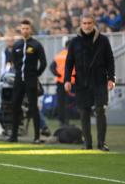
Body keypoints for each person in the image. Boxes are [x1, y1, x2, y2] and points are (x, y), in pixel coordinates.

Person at [65, 15, 115, 151]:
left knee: (100, 110)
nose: (87, 26)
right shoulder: (74, 42)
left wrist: (111, 79)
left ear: (94, 24)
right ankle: (87, 143)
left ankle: (101, 143)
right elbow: (69, 62)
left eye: (89, 23)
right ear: (81, 24)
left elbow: (110, 60)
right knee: (84, 112)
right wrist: (67, 80)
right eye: (84, 23)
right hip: (81, 82)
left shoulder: (103, 40)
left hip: (99, 80)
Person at [8, 19, 47, 143]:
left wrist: (36, 74)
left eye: (27, 28)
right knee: (15, 106)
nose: (25, 31)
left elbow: (44, 63)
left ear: (30, 29)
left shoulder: (36, 45)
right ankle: (14, 135)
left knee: (33, 107)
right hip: (19, 80)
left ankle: (37, 137)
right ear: (20, 29)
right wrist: (19, 73)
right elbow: (14, 62)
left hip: (31, 80)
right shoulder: (17, 45)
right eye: (23, 28)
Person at [49, 38, 74, 126]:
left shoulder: (59, 55)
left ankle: (61, 120)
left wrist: (58, 75)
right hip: (71, 82)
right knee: (68, 103)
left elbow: (51, 67)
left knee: (61, 102)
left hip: (60, 82)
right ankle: (66, 121)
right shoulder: (73, 55)